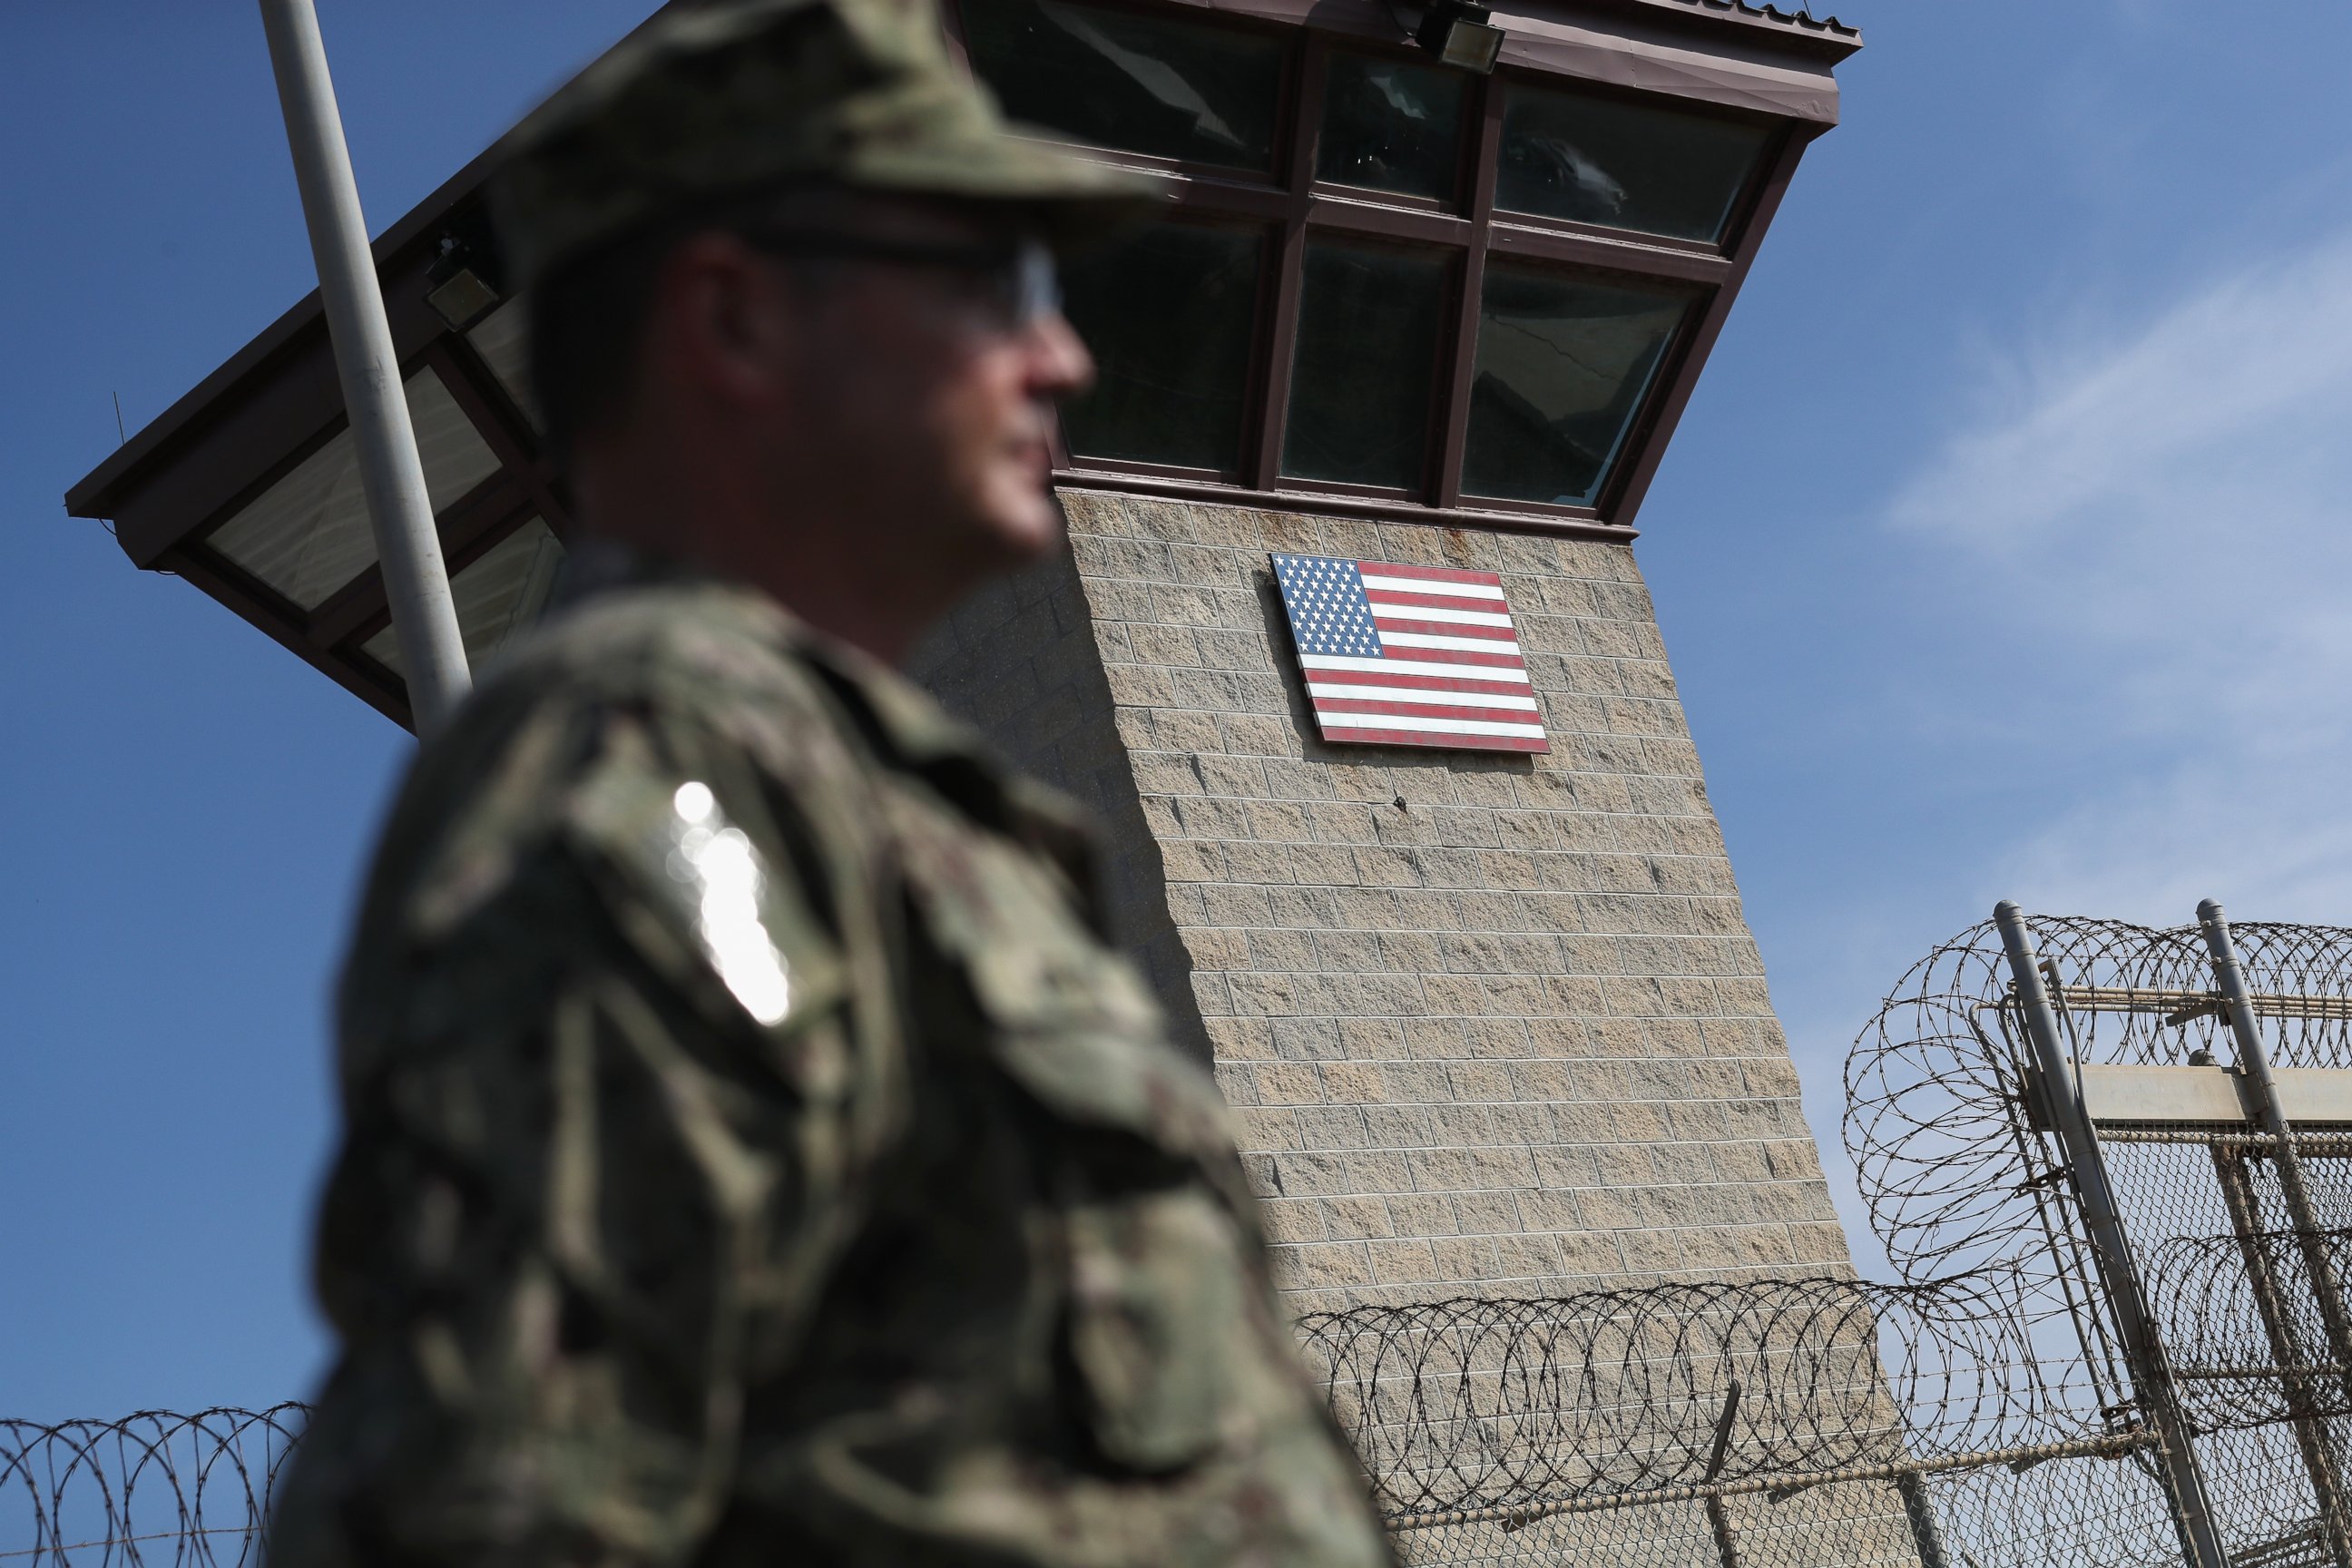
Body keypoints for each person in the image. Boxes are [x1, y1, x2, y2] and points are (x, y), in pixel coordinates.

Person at [261, 1, 1396, 1564]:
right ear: (734, 321)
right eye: (989, 280)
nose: (1060, 351)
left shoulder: (876, 802)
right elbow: (496, 1510)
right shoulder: (652, 772)